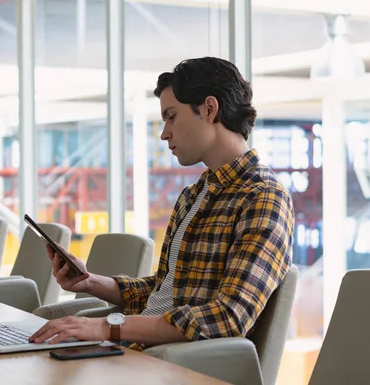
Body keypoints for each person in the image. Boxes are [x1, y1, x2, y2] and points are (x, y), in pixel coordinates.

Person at [29, 57, 294, 350]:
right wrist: (90, 282)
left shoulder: (262, 198)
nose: (164, 133)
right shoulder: (194, 195)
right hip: (137, 352)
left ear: (209, 109)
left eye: (171, 116)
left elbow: (229, 317)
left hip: (173, 365)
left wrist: (106, 327)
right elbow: (164, 290)